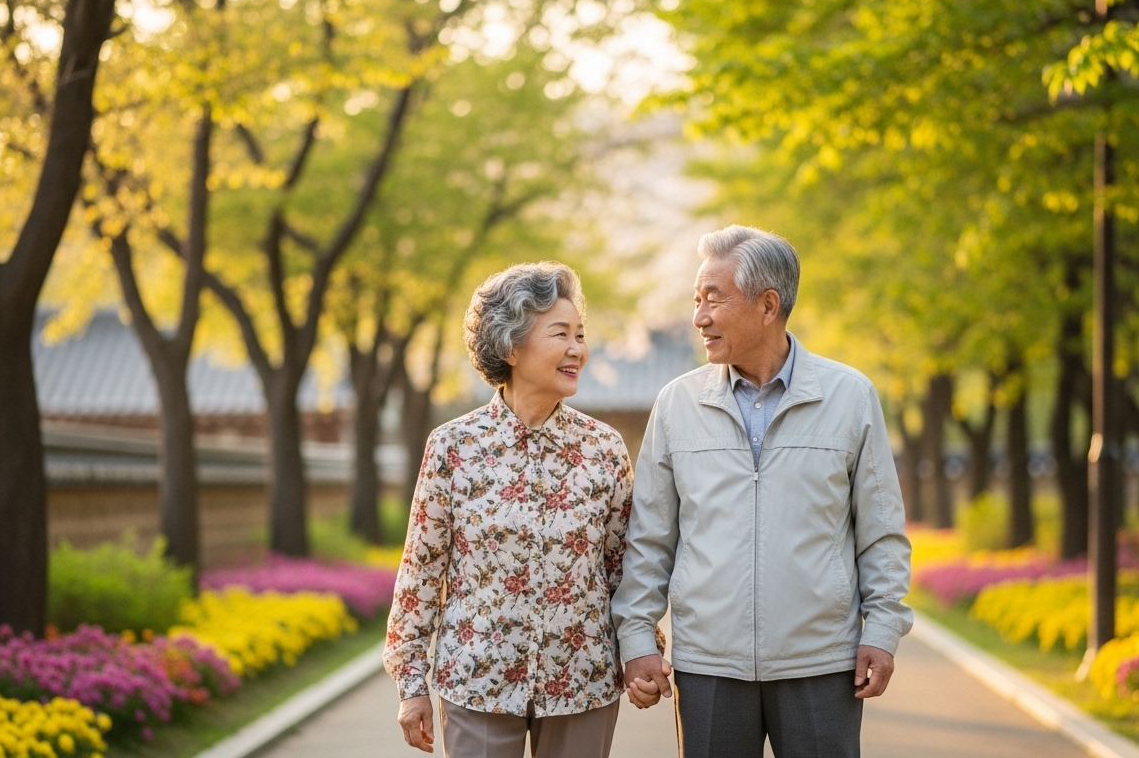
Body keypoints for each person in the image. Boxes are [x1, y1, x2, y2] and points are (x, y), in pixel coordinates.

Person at [611, 225, 914, 758]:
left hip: (822, 666)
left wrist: (883, 630)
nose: (699, 317)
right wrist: (637, 640)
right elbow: (649, 540)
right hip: (708, 669)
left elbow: (881, 535)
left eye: (714, 299)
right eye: (696, 300)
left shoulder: (850, 397)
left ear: (768, 305)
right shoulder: (676, 404)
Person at [383, 262, 634, 757]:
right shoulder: (453, 446)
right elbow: (421, 572)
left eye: (580, 335)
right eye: (560, 333)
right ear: (511, 346)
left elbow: (624, 570)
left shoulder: (604, 449)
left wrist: (644, 653)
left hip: (581, 681)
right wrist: (412, 684)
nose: (577, 350)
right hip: (477, 680)